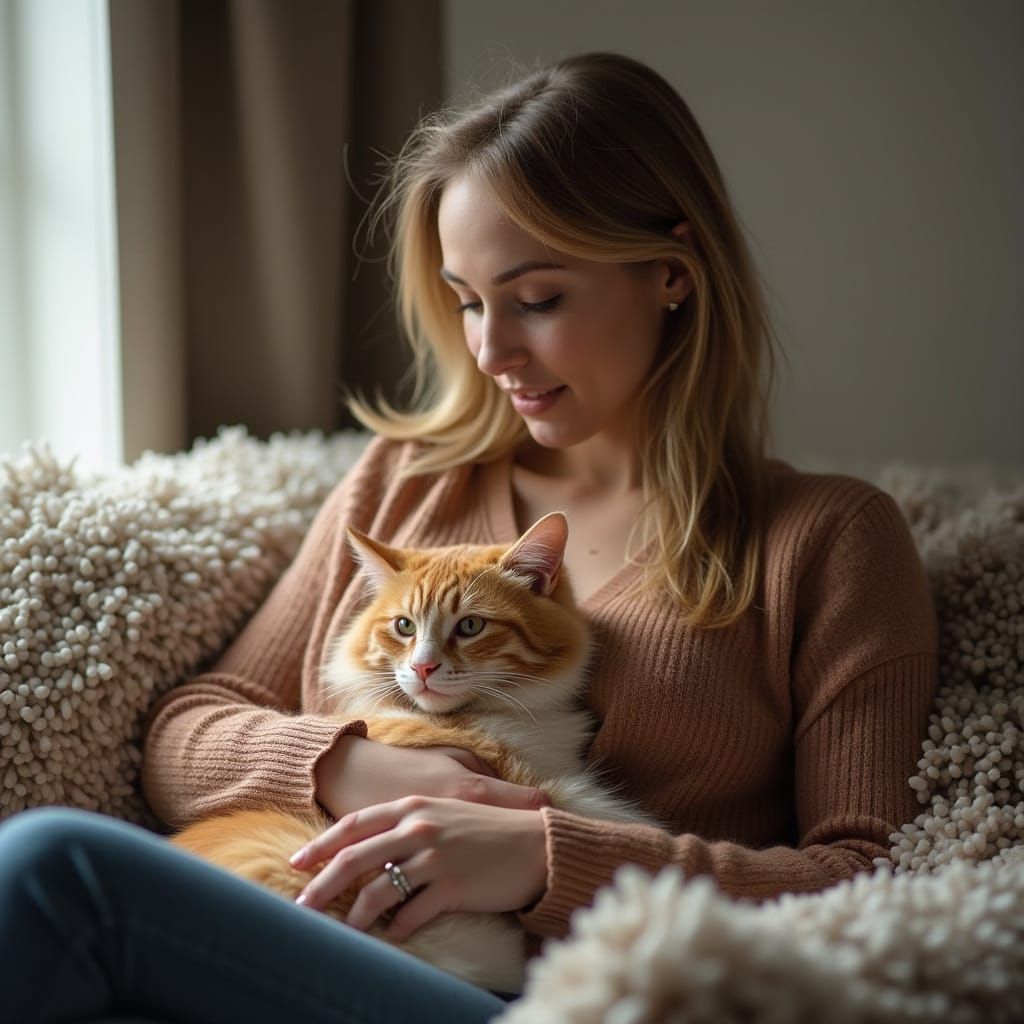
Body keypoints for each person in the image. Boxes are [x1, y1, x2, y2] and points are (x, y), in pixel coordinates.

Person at [0, 51, 938, 1023]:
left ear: (671, 272)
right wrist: (354, 765)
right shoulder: (408, 483)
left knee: (54, 870)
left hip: (559, 1001)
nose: (490, 351)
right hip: (323, 944)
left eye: (536, 299)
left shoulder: (827, 541)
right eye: (466, 300)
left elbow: (868, 884)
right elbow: (188, 727)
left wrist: (542, 860)